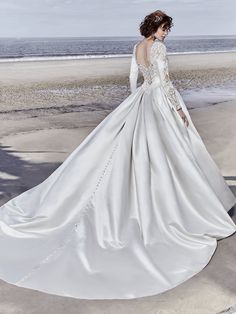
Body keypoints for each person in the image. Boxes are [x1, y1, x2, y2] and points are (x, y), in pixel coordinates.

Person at [0, 10, 235, 300]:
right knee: (171, 154)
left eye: (166, 30)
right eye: (164, 28)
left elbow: (133, 77)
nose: (165, 33)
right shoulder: (159, 47)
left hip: (141, 100)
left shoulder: (137, 47)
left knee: (139, 151)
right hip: (160, 102)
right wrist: (177, 110)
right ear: (155, 27)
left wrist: (137, 99)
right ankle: (183, 206)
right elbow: (166, 80)